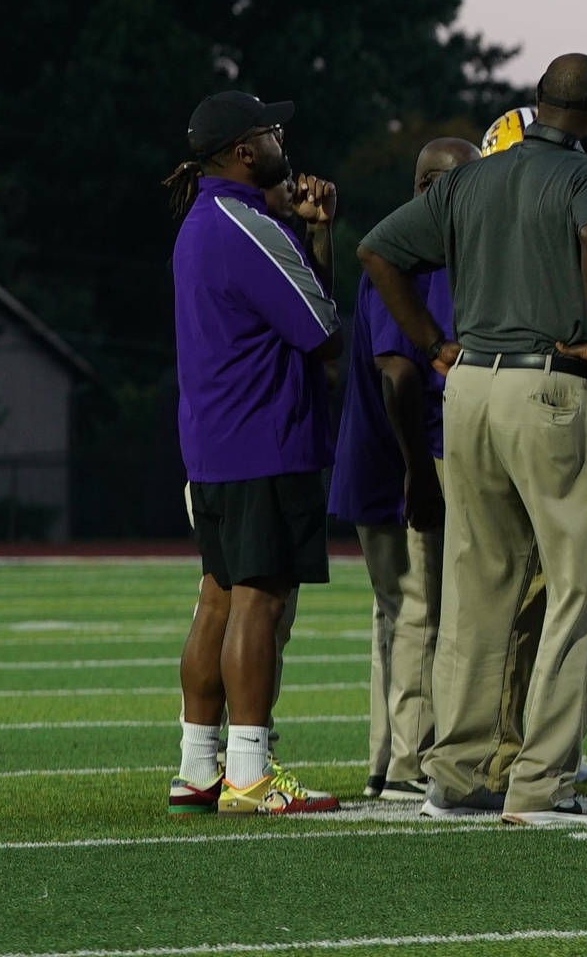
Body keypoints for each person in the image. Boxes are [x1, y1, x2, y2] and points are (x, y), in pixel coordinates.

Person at [358, 53, 587, 828]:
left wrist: (433, 342)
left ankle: (453, 776)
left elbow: (377, 250)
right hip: (550, 387)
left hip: (471, 386)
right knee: (580, 589)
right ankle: (542, 784)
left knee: (476, 594)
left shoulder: (473, 176)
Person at [164, 90, 341, 815]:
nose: (278, 139)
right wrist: (318, 234)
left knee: (217, 600)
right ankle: (249, 774)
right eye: (269, 130)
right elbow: (322, 327)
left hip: (212, 438)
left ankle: (199, 766)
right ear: (244, 149)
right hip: (263, 435)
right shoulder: (247, 222)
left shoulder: (200, 220)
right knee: (259, 603)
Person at [476, 109, 587, 790]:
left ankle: (470, 761)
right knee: (576, 594)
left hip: (474, 415)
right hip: (566, 411)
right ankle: (546, 757)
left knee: (486, 602)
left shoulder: (472, 201)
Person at [327, 137, 478, 801]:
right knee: (421, 612)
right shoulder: (425, 260)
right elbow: (398, 374)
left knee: (393, 614)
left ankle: (385, 754)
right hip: (411, 460)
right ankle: (409, 764)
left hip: (377, 456)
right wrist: (419, 467)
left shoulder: (393, 247)